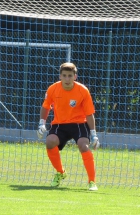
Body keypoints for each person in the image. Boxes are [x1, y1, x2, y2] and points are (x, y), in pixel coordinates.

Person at [37, 62, 100, 191]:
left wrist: (94, 134)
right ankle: (60, 172)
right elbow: (46, 106)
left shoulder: (83, 91)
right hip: (60, 124)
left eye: (70, 76)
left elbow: (89, 114)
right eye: (64, 75)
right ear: (60, 76)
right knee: (50, 142)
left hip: (79, 124)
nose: (67, 79)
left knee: (84, 146)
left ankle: (92, 182)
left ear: (75, 76)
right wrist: (41, 123)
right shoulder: (53, 89)